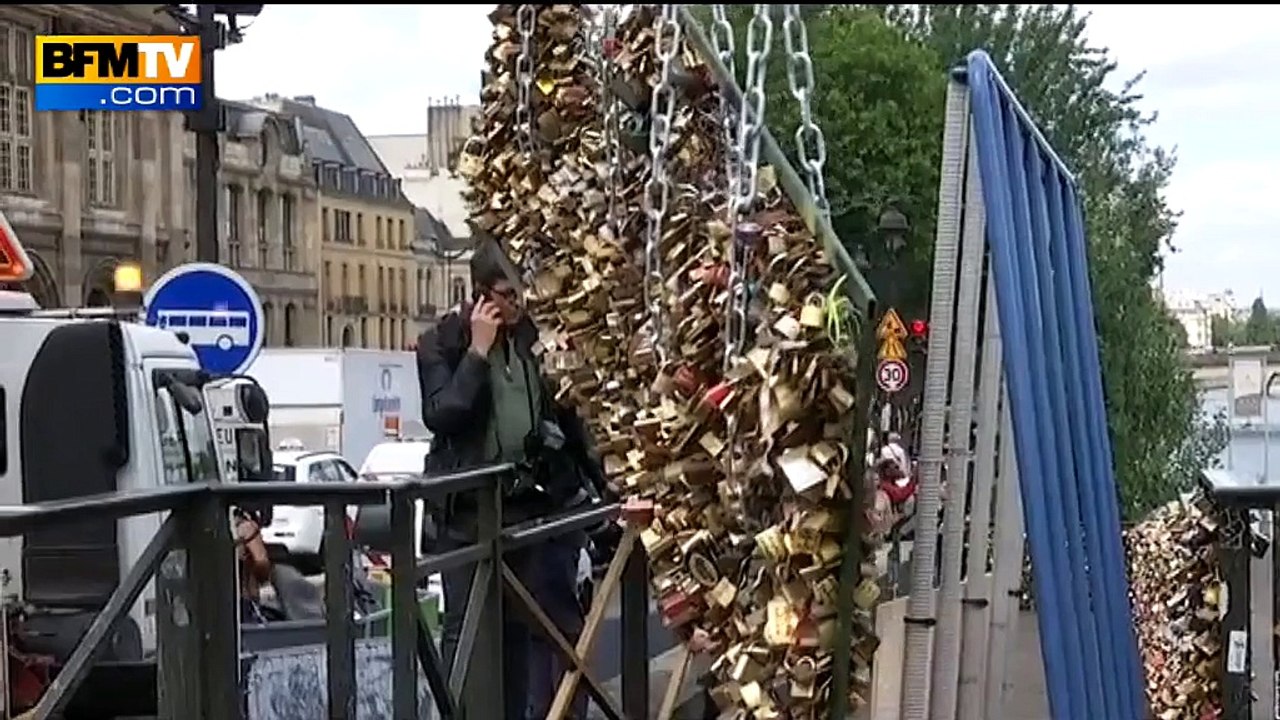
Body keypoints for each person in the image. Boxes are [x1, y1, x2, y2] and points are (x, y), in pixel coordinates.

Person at [416, 240, 605, 719]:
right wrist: (477, 353)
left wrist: (603, 487)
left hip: (533, 506)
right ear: (481, 295)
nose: (516, 304)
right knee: (470, 637)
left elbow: (569, 419)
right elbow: (443, 414)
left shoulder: (532, 339)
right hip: (468, 518)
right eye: (506, 295)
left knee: (548, 631)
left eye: (521, 294)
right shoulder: (442, 342)